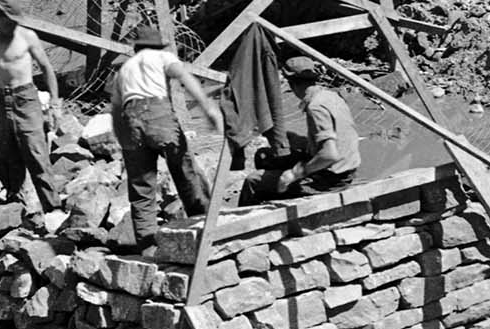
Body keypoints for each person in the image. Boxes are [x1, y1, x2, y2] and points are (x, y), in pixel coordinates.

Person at [111, 25, 220, 255]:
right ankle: (203, 228)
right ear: (157, 45)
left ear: (136, 48)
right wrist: (207, 106)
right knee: (185, 172)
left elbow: (116, 108)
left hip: (130, 120)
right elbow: (183, 76)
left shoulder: (124, 69)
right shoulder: (162, 56)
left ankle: (148, 249)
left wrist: (125, 142)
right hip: (157, 112)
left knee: (141, 189)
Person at [0, 0, 61, 213]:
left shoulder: (27, 36)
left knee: (35, 151)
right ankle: (14, 199)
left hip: (26, 96)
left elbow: (47, 68)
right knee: (6, 151)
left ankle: (53, 208)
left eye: (15, 22)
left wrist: (55, 104)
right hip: (2, 98)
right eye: (8, 21)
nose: (12, 26)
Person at [244, 55, 361, 200]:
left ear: (292, 84)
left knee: (253, 181)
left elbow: (330, 154)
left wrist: (294, 174)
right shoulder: (332, 96)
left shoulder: (316, 107)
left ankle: (254, 218)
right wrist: (294, 139)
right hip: (345, 168)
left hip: (330, 179)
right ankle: (276, 194)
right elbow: (336, 138)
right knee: (264, 156)